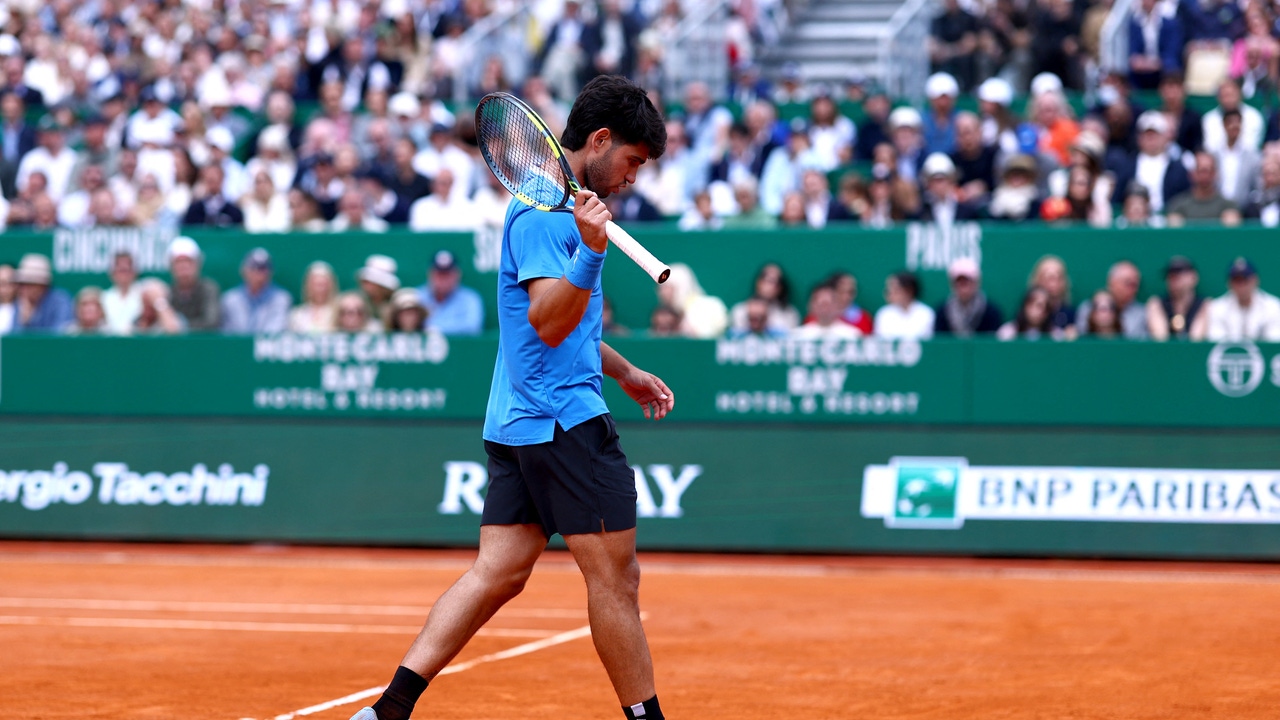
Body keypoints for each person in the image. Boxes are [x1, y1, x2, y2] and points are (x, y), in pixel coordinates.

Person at [350, 75, 673, 720]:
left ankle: (386, 710)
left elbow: (570, 330)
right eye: (633, 160)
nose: (634, 176)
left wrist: (626, 370)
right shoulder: (542, 215)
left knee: (499, 570)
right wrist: (589, 249)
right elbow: (548, 321)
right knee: (616, 578)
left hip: (521, 421)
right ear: (601, 141)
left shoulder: (564, 210)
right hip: (563, 425)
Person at [1205, 257, 1280, 342]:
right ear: (1229, 283)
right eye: (1237, 281)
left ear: (1255, 280)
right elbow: (1217, 342)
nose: (1242, 286)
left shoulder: (1273, 307)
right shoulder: (1217, 308)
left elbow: (1274, 343)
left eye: (1245, 280)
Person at [220, 248, 293, 334]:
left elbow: (274, 331)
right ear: (243, 270)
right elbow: (227, 332)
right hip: (235, 347)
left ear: (270, 272)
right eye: (253, 267)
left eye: (263, 268)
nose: (258, 273)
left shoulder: (282, 299)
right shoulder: (229, 300)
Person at [418, 250, 484, 336]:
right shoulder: (417, 296)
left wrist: (438, 329)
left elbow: (473, 327)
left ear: (458, 275)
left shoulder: (470, 299)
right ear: (430, 274)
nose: (443, 279)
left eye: (447, 274)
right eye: (439, 274)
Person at [1076, 260, 1149, 339]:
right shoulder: (1088, 308)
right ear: (1111, 282)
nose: (1134, 289)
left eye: (1135, 284)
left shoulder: (1142, 314)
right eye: (1128, 283)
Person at [1165, 152, 1241, 226]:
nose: (1205, 176)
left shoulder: (1228, 206)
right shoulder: (1178, 206)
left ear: (1216, 174)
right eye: (1201, 171)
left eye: (1208, 171)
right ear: (1192, 174)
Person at [934, 257, 1003, 337]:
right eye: (959, 282)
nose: (963, 288)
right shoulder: (942, 312)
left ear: (976, 283)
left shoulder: (992, 312)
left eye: (967, 282)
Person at [657, 262, 729, 339]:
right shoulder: (664, 314)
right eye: (662, 287)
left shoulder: (712, 306)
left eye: (667, 287)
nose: (662, 292)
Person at [1147, 256, 1208, 341]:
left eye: (1179, 273)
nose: (1173, 278)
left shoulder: (1205, 304)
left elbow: (1196, 341)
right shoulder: (1156, 303)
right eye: (1170, 275)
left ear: (1193, 277)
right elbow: (1160, 340)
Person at [728, 262, 800, 334]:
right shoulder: (740, 311)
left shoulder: (790, 314)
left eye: (776, 281)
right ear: (758, 282)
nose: (771, 285)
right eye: (767, 279)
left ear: (781, 287)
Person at [168, 237, 221, 332]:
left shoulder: (209, 289)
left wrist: (180, 326)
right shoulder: (168, 292)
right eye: (179, 262)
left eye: (188, 261)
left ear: (198, 264)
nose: (183, 266)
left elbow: (211, 322)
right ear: (171, 266)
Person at [13, 253, 72, 333]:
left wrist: (32, 319)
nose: (24, 289)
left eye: (29, 284)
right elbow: (14, 337)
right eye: (21, 284)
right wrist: (25, 321)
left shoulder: (61, 301)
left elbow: (58, 335)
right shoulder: (19, 302)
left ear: (42, 285)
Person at [874, 272, 934, 340]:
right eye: (889, 289)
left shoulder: (926, 313)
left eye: (896, 289)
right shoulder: (883, 314)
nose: (890, 293)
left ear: (909, 290)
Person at [1028, 254, 1077, 335]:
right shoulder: (1026, 312)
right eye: (1049, 278)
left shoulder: (1070, 314)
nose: (1053, 284)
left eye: (1058, 278)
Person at [791, 284, 861, 339]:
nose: (825, 309)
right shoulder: (798, 336)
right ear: (811, 306)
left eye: (828, 304)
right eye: (821, 304)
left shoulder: (852, 335)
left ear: (837, 305)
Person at [288, 261, 340, 334]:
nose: (320, 289)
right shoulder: (297, 314)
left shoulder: (339, 313)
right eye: (316, 284)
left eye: (323, 284)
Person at [997, 286, 1064, 341]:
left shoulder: (1056, 336)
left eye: (1047, 308)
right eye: (1038, 305)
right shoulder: (1007, 333)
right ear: (1026, 305)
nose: (1042, 311)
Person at [101, 250, 142, 335]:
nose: (123, 274)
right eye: (120, 270)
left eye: (127, 269)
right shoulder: (104, 298)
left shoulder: (145, 295)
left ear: (135, 271)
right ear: (112, 272)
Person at [356, 254, 401, 327]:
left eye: (370, 282)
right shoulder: (357, 302)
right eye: (365, 281)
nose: (366, 285)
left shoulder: (395, 307)